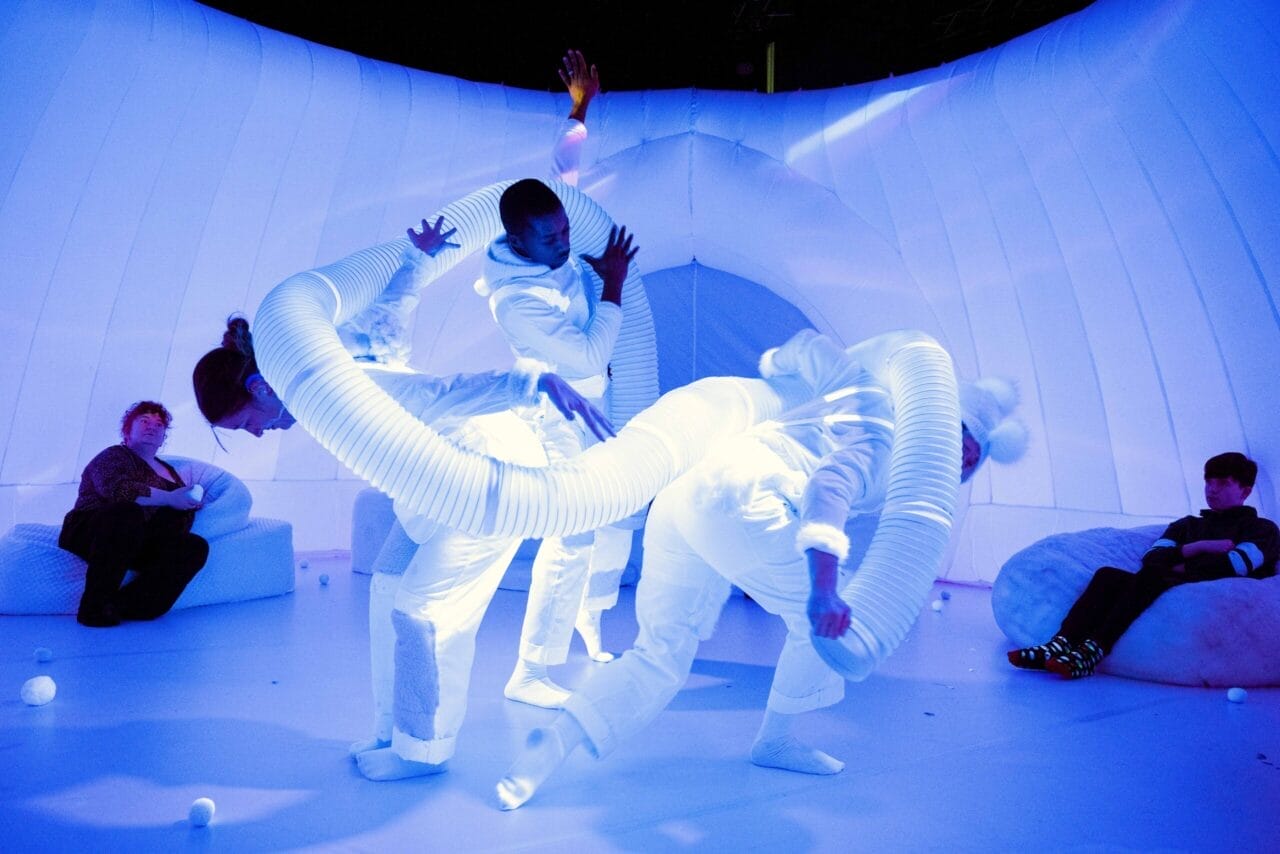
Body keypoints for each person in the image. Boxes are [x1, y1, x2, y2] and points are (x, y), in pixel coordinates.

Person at [494, 329, 1030, 809]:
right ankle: (775, 737)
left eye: (970, 459)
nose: (957, 463)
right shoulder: (885, 436)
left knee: (659, 652)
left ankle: (556, 743)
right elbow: (829, 488)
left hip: (687, 498)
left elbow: (813, 347)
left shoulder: (861, 394)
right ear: (935, 428)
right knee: (823, 625)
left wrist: (776, 360)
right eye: (955, 446)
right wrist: (823, 589)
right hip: (739, 501)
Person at [192, 220, 615, 782]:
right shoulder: (326, 368)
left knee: (423, 612)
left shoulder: (332, 394)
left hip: (479, 481)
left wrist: (532, 383)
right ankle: (393, 726)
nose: (256, 435)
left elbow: (433, 395)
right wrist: (418, 263)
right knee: (386, 586)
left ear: (260, 390)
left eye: (247, 424)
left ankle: (424, 751)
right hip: (426, 491)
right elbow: (387, 328)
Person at [475, 50, 642, 708]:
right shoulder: (516, 302)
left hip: (596, 408)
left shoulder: (553, 236)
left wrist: (579, 104)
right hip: (560, 417)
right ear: (518, 242)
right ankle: (532, 670)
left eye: (565, 230)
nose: (564, 244)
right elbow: (590, 351)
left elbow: (561, 172)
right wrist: (614, 286)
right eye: (548, 240)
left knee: (617, 516)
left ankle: (589, 618)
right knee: (570, 532)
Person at [1007, 452, 1278, 679]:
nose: (1212, 489)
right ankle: (1060, 643)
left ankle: (1094, 650)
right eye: (1208, 481)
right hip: (1158, 579)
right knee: (1107, 576)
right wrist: (1200, 547)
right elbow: (1152, 557)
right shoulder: (1188, 525)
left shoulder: (1261, 529)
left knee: (1151, 577)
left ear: (1245, 490)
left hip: (1191, 590)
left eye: (1222, 482)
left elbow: (1235, 565)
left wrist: (1179, 565)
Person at [59, 401, 209, 627]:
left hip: (139, 539)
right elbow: (119, 491)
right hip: (93, 528)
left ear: (163, 437)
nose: (152, 427)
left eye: (159, 425)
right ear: (127, 430)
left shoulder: (171, 474)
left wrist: (187, 505)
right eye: (144, 421)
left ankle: (126, 605)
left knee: (195, 546)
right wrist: (170, 498)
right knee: (127, 512)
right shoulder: (114, 455)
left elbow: (176, 520)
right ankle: (94, 607)